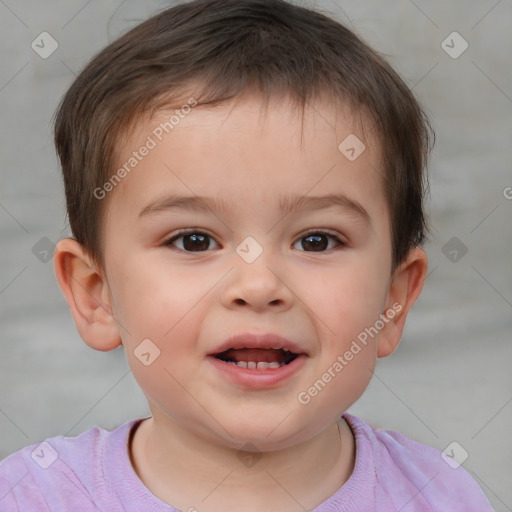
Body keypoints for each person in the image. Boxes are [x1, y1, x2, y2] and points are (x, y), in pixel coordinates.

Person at [0, 0, 493, 510]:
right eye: (193, 240)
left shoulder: (442, 497)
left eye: (316, 240)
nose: (258, 286)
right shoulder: (29, 496)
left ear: (393, 300)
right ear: (95, 295)